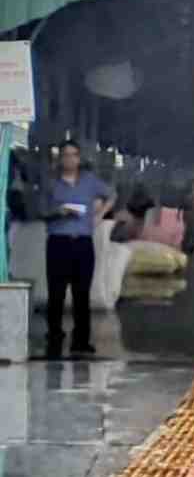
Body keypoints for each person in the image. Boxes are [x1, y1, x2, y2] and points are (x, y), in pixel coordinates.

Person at [41, 139, 112, 358]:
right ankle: (54, 335)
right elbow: (40, 209)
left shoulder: (90, 182)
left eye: (73, 155)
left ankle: (81, 340)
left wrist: (99, 215)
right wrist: (58, 211)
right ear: (59, 159)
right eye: (65, 155)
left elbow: (112, 194)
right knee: (56, 292)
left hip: (82, 243)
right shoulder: (50, 184)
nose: (69, 159)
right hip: (58, 243)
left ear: (79, 158)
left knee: (82, 293)